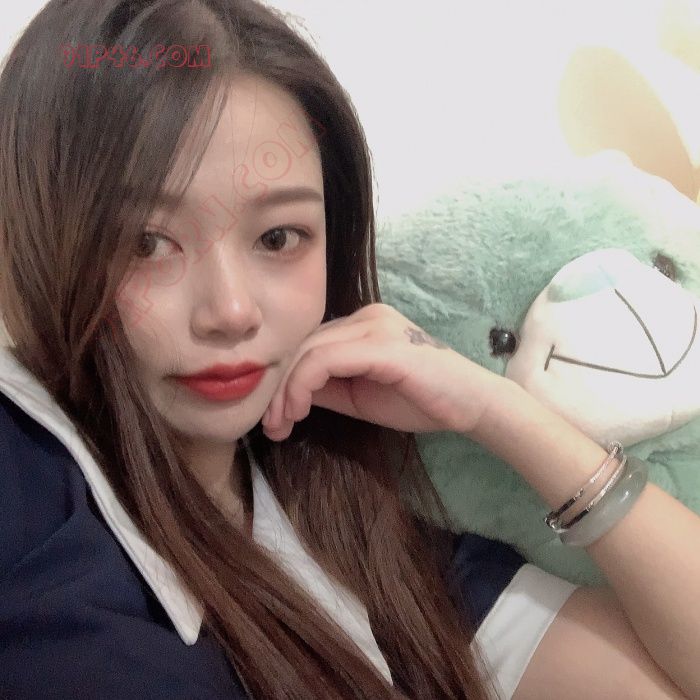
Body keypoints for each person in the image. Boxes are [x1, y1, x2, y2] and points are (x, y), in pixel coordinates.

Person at [0, 1, 697, 698]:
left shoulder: (340, 500)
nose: (232, 312)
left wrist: (492, 408)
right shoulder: (27, 493)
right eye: (145, 244)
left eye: (278, 238)